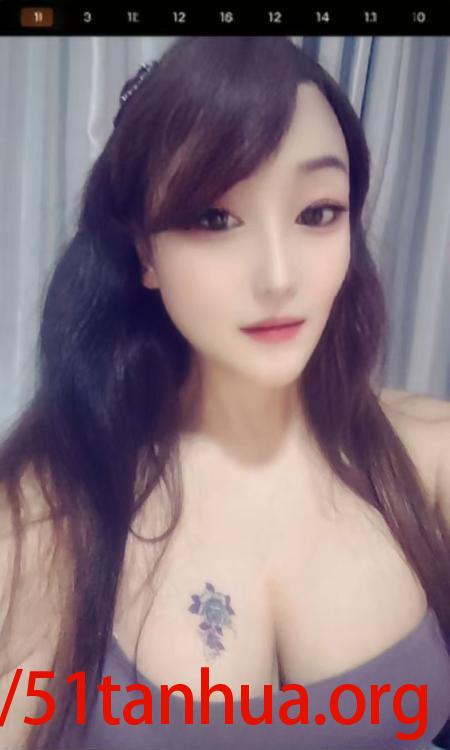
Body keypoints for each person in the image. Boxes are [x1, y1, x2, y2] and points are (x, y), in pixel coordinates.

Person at [0, 36, 449, 750]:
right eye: (214, 217)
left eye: (317, 212)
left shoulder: (430, 461)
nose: (278, 276)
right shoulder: (48, 514)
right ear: (145, 251)